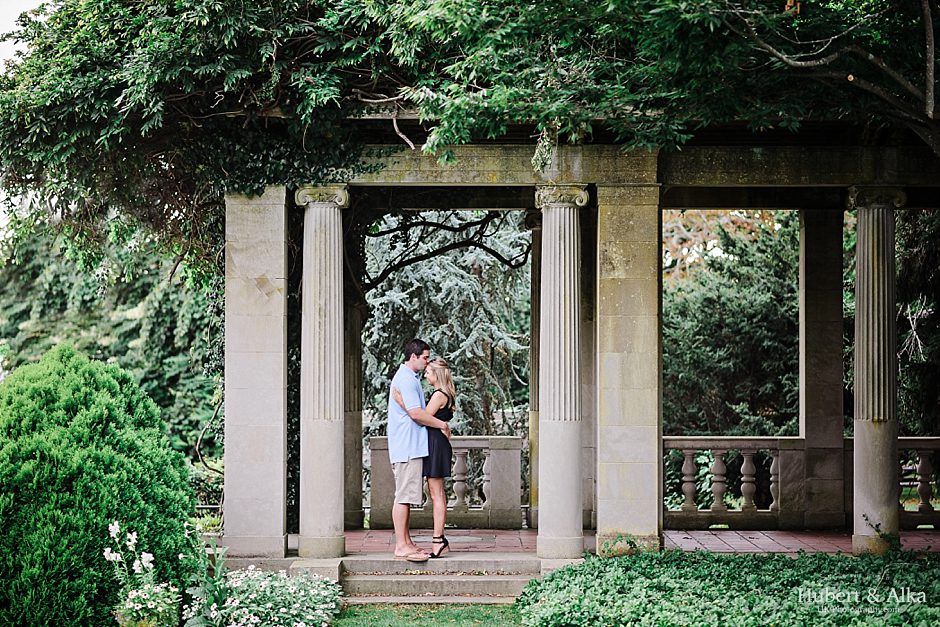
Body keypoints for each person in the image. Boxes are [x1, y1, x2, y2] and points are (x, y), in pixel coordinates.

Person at [386, 339, 452, 562]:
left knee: (406, 496)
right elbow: (417, 414)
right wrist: (443, 425)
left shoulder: (409, 379)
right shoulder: (406, 380)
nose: (426, 362)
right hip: (407, 447)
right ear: (413, 357)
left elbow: (415, 412)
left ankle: (407, 542)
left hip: (410, 446)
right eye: (425, 358)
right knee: (403, 496)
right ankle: (401, 545)